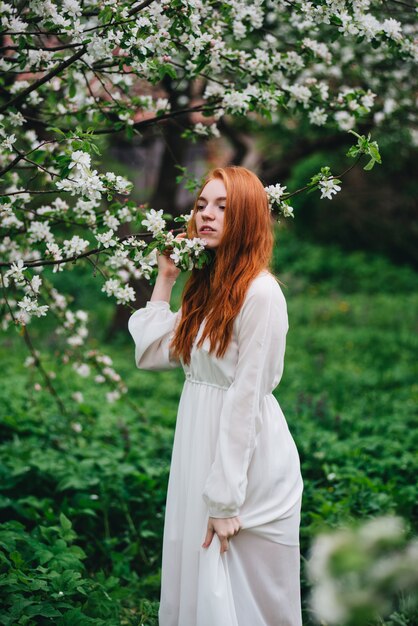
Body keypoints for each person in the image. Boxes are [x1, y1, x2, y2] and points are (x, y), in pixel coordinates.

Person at [128, 166, 304, 626]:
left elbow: (246, 397)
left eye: (223, 207)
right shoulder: (206, 287)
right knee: (199, 577)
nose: (206, 215)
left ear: (245, 218)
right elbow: (152, 353)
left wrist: (226, 500)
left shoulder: (261, 293)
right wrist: (166, 278)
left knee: (244, 593)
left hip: (246, 462)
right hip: (198, 447)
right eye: (202, 204)